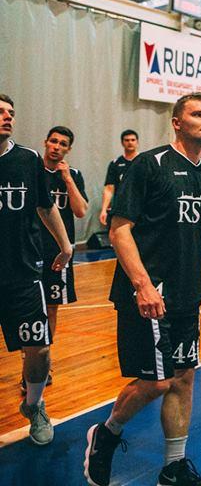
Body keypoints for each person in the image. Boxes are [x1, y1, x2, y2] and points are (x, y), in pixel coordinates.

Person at [83, 92, 201, 486]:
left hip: (188, 294)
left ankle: (173, 469)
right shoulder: (149, 164)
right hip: (148, 295)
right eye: (197, 114)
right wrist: (142, 285)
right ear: (176, 122)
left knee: (183, 377)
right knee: (157, 381)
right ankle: (106, 433)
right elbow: (119, 229)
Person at [0, 94, 73, 446]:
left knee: (40, 348)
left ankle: (34, 405)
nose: (7, 117)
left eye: (11, 112)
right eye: (0, 112)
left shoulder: (27, 159)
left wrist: (66, 245)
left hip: (23, 271)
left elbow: (46, 207)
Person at [28, 126, 88, 393]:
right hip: (30, 249)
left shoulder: (73, 175)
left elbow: (80, 211)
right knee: (29, 308)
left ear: (68, 149)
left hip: (59, 253)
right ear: (45, 142)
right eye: (53, 141)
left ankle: (44, 362)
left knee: (52, 308)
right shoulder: (32, 171)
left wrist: (67, 179)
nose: (57, 147)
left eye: (63, 144)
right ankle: (29, 360)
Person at [99, 129, 139, 226]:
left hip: (140, 208)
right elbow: (109, 188)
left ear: (137, 142)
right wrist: (104, 209)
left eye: (133, 140)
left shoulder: (144, 161)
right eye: (127, 140)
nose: (130, 142)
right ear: (122, 143)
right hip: (121, 208)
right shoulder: (115, 164)